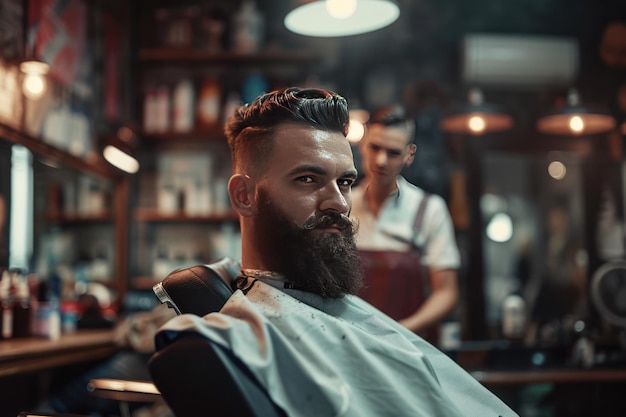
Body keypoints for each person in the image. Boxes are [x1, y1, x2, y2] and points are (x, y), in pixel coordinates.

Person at [155, 87, 517, 416]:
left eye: (344, 181)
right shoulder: (245, 332)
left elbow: (446, 289)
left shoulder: (427, 210)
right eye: (308, 179)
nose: (341, 204)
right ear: (243, 196)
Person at [350, 104, 460, 341]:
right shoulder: (342, 205)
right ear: (362, 146)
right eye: (375, 148)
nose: (381, 161)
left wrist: (404, 329)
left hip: (408, 344)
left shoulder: (428, 210)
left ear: (410, 155)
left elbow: (447, 292)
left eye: (393, 153)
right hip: (351, 340)